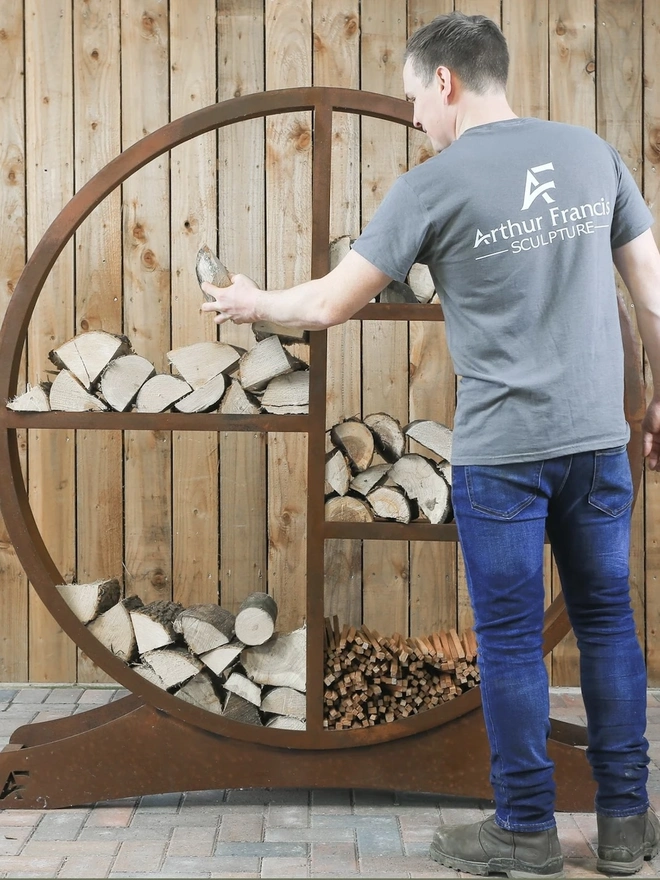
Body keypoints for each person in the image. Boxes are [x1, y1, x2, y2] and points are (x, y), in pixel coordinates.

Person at [201, 12, 660, 878]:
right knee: (607, 626)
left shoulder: (430, 186)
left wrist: (254, 302)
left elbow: (332, 305)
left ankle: (526, 832)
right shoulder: (593, 153)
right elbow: (653, 290)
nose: (416, 117)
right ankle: (627, 828)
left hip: (503, 458)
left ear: (444, 82)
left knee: (514, 641)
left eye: (415, 98)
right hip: (601, 444)